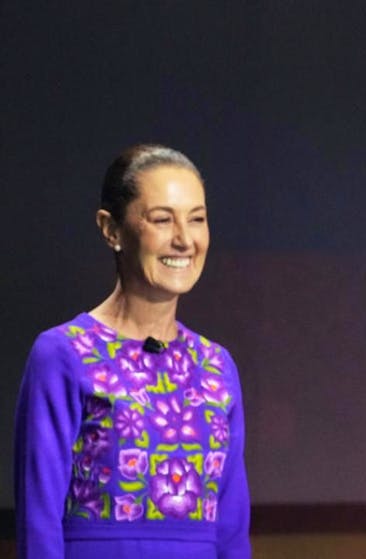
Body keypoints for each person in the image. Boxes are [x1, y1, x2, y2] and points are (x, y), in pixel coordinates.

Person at [14, 145, 251, 558]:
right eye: (162, 219)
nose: (184, 239)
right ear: (111, 229)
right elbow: (39, 521)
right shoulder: (64, 355)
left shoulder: (216, 366)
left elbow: (231, 528)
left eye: (197, 219)